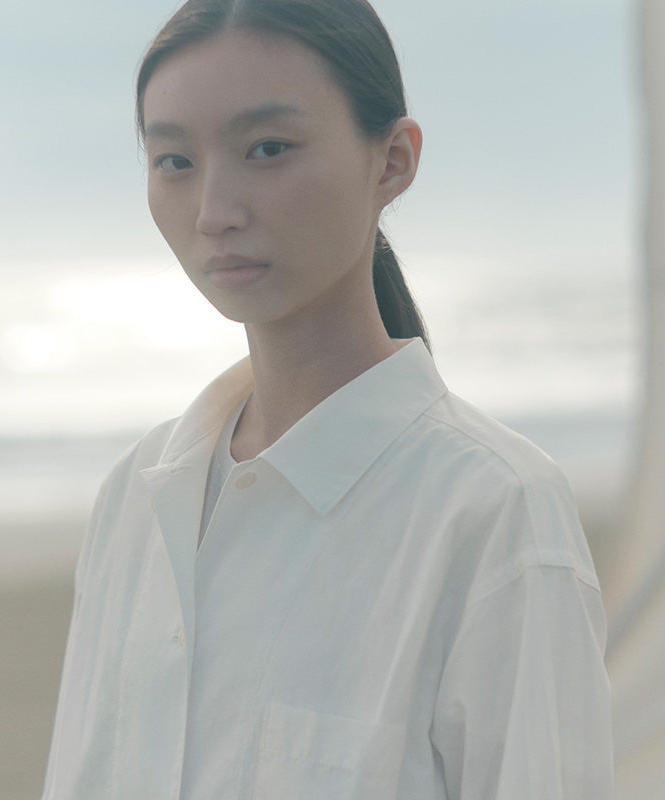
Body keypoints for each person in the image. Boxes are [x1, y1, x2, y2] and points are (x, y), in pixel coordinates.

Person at [41, 1, 614, 797]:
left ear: (393, 160)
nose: (214, 211)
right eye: (174, 160)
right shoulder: (138, 498)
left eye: (267, 148)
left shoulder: (492, 511)